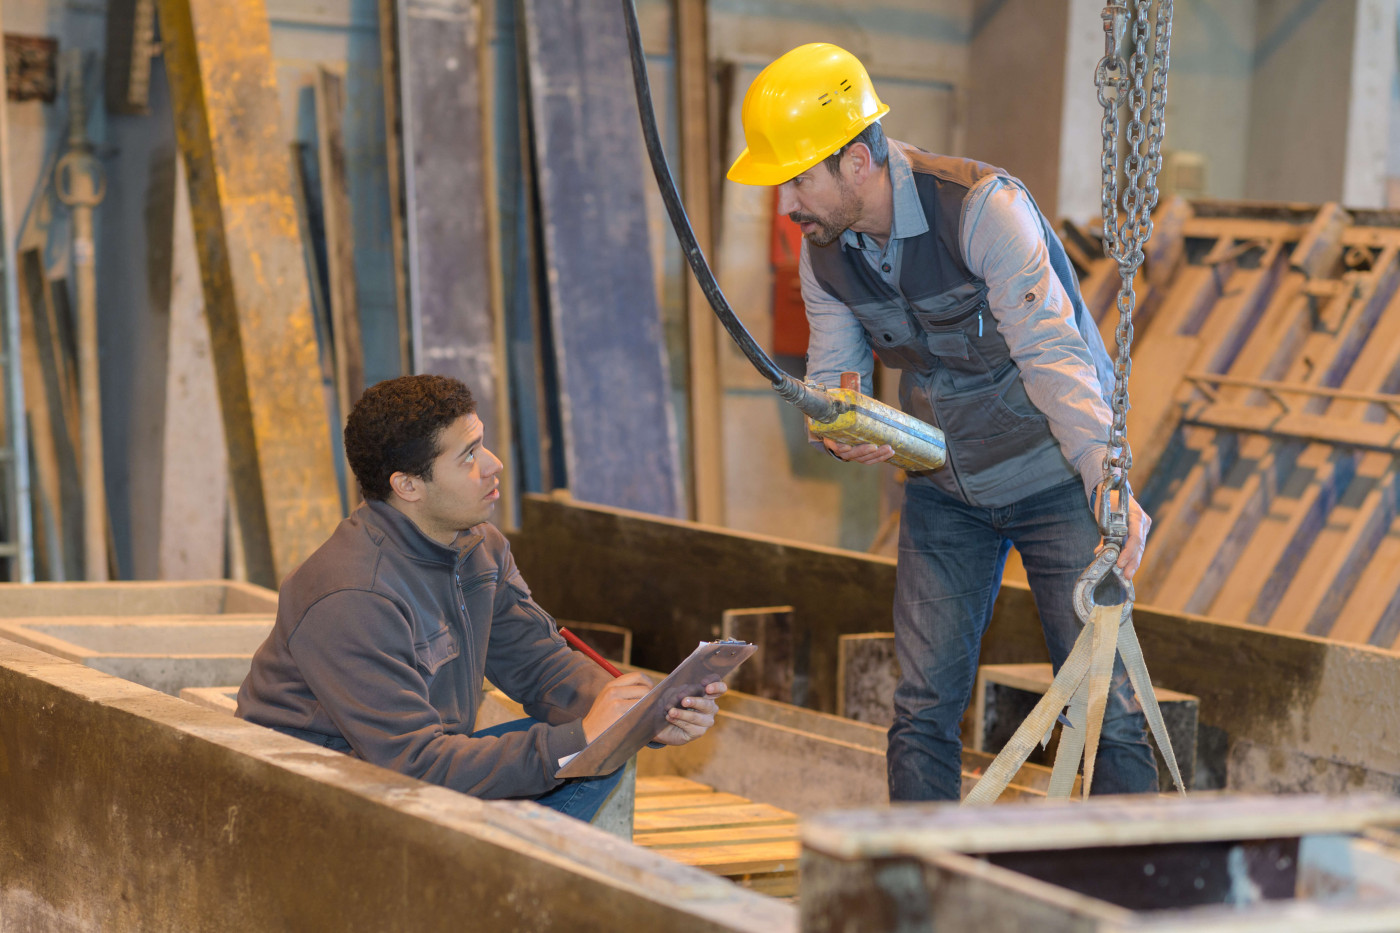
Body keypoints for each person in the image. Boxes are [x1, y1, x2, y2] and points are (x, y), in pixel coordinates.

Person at [726, 44, 1157, 801]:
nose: (788, 203)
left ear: (857, 160)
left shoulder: (983, 209)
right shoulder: (824, 255)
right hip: (945, 489)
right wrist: (836, 427)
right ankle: (923, 901)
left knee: (1105, 709)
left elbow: (1054, 355)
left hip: (1056, 479)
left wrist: (1105, 477)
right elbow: (832, 379)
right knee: (921, 710)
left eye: (797, 179)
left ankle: (1133, 902)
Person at [237, 374, 724, 820]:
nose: (494, 464)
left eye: (483, 444)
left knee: (594, 758)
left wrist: (641, 716)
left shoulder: (477, 546)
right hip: (314, 804)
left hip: (404, 770)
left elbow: (541, 666)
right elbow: (413, 764)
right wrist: (582, 737)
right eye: (467, 455)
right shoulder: (351, 595)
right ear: (408, 486)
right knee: (576, 752)